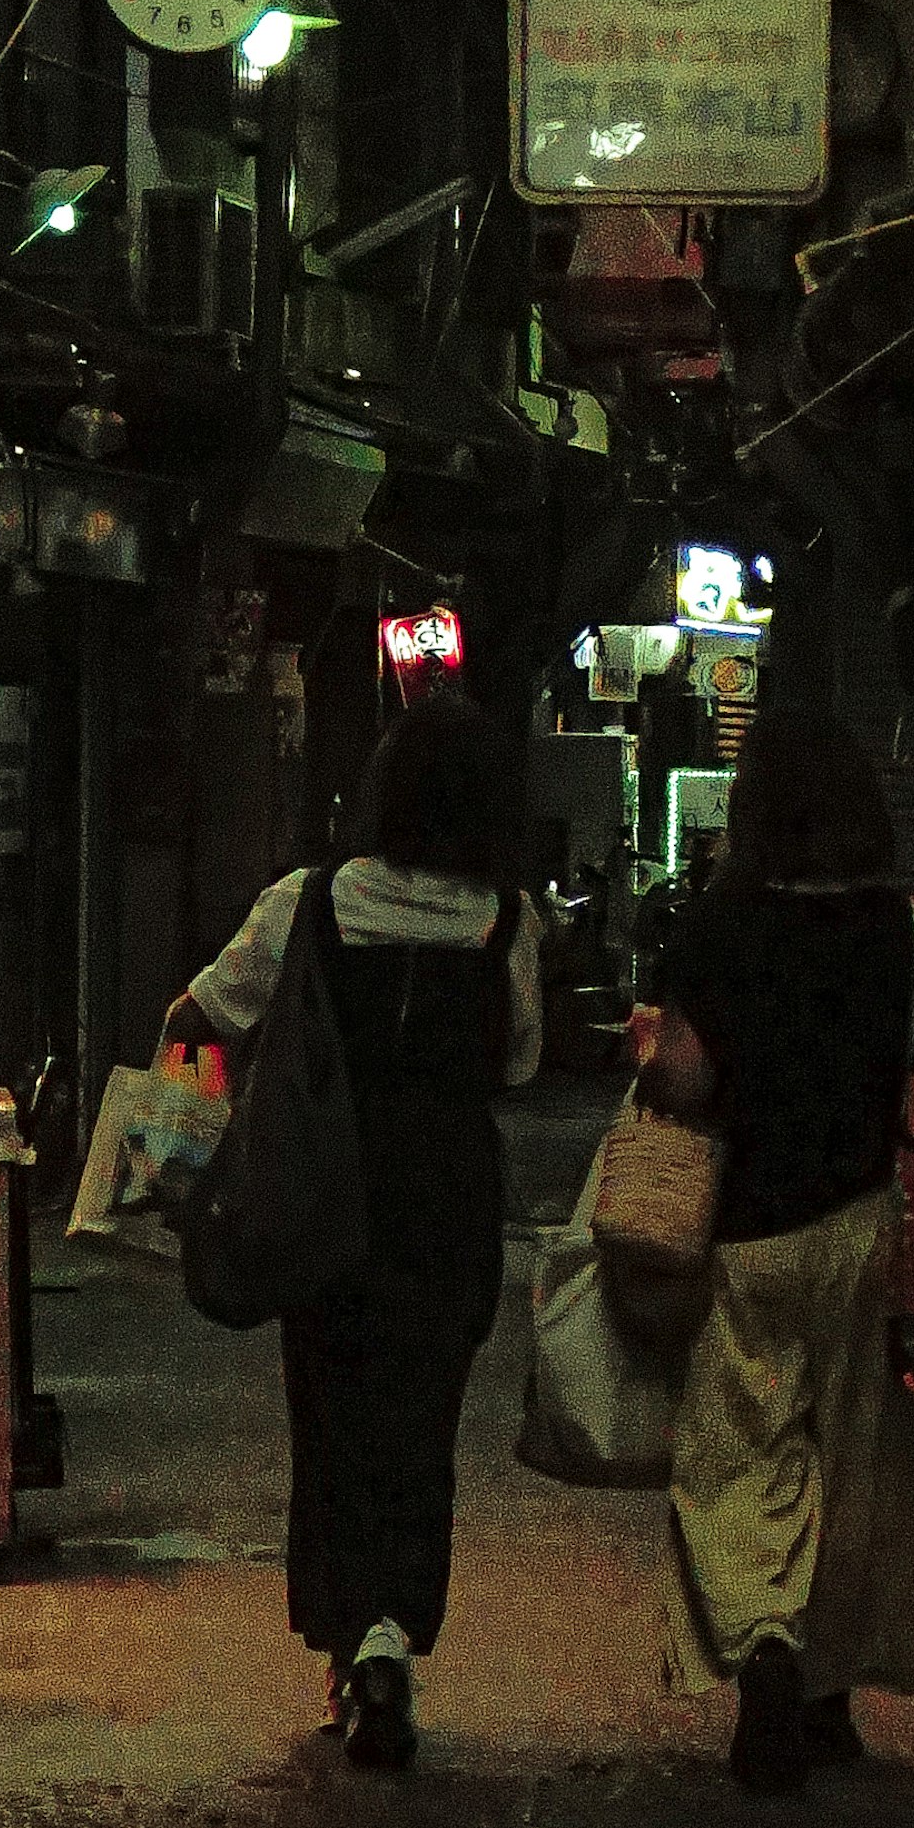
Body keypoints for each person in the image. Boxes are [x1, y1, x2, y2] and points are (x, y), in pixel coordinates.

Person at [163, 696, 541, 1771]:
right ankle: (389, 1636)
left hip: (323, 1200)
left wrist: (184, 1127)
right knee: (420, 1429)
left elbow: (205, 1012)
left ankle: (348, 1641)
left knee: (331, 1420)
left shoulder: (306, 904)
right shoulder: (505, 920)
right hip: (450, 1206)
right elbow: (517, 1061)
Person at [637, 710, 914, 1797]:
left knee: (739, 1451)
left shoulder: (721, 926)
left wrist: (651, 1063)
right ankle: (827, 1691)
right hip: (873, 1231)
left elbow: (680, 1079)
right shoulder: (910, 929)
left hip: (750, 1231)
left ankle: (765, 1640)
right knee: (854, 1462)